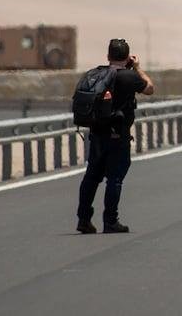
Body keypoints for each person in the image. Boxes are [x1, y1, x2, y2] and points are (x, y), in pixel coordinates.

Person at [76, 39, 155, 234]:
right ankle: (110, 221)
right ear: (127, 57)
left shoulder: (95, 74)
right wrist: (137, 68)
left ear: (108, 56)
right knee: (115, 178)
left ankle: (83, 219)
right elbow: (150, 88)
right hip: (118, 136)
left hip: (96, 134)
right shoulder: (129, 77)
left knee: (91, 177)